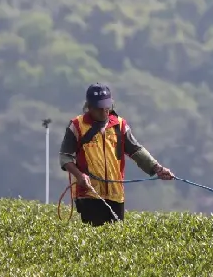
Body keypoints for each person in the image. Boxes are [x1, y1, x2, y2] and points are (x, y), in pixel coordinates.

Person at [59, 83, 175, 226]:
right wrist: (79, 175)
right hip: (88, 193)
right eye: (99, 109)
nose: (104, 112)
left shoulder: (120, 125)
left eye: (106, 107)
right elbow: (65, 157)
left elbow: (136, 150)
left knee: (115, 239)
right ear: (89, 107)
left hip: (116, 194)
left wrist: (158, 168)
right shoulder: (77, 126)